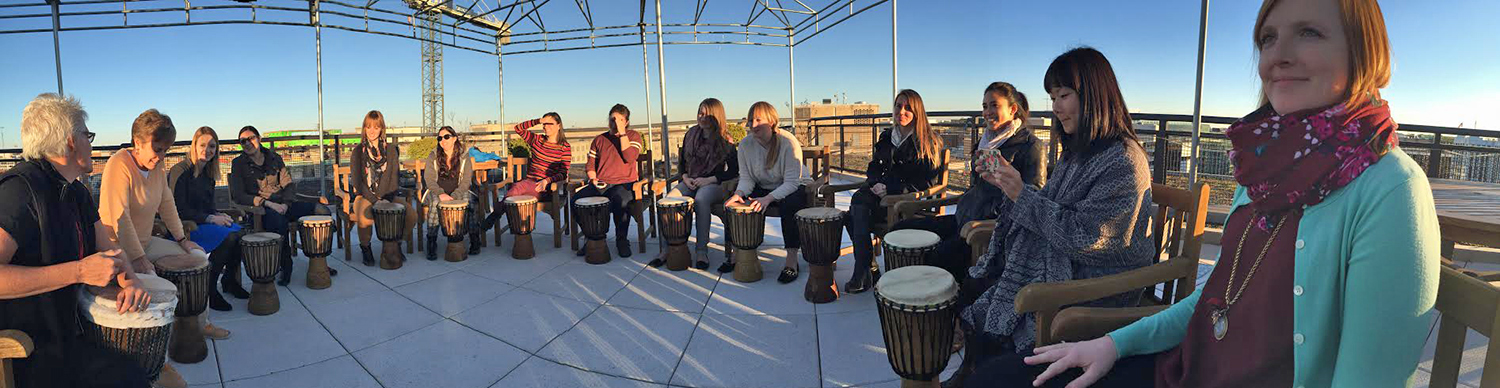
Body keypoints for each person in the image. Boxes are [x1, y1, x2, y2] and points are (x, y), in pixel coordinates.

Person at [1011, 1, 1438, 387]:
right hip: (1181, 368)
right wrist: (1113, 345)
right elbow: (1214, 298)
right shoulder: (1265, 168)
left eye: (1309, 32)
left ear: (1363, 50)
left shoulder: (1391, 190)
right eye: (1267, 38)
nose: (1278, 55)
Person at [942, 47, 1156, 387]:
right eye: (1052, 97)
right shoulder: (1079, 153)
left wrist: (1020, 193)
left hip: (1098, 288)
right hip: (1068, 268)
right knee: (980, 284)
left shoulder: (1123, 162)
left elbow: (1087, 239)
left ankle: (982, 370)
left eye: (1064, 95)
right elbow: (1051, 204)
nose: (1055, 107)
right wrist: (1011, 185)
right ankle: (975, 367)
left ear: (1095, 96)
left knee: (993, 292)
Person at [0, 93, 157, 388]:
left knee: (133, 370)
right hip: (30, 349)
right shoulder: (19, 192)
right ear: (71, 141)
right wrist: (79, 271)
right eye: (88, 135)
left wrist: (132, 281)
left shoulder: (76, 192)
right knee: (131, 379)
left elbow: (110, 249)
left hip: (70, 332)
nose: (92, 142)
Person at [888, 82, 1046, 282]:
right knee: (901, 229)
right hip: (963, 218)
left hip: (986, 229)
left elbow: (1035, 201)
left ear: (1013, 109)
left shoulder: (1031, 146)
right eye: (985, 106)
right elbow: (975, 188)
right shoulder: (986, 142)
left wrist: (993, 210)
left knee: (936, 258)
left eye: (994, 105)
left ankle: (933, 297)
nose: (987, 112)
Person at [99, 109, 231, 339]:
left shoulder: (157, 167)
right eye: (157, 149)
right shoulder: (118, 164)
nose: (160, 156)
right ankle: (158, 339)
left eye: (165, 150)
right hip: (119, 249)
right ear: (138, 142)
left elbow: (167, 204)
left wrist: (183, 240)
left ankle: (202, 323)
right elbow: (121, 216)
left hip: (146, 243)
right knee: (153, 279)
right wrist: (138, 258)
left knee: (198, 258)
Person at [843, 89, 946, 292]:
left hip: (907, 202)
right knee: (858, 202)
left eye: (908, 108)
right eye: (898, 106)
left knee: (853, 215)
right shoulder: (887, 136)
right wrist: (875, 183)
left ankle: (864, 270)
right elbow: (874, 167)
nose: (902, 111)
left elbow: (926, 183)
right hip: (879, 196)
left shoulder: (928, 141)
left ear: (917, 111)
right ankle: (865, 268)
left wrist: (891, 190)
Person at [229, 125, 334, 285]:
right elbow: (239, 195)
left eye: (251, 138)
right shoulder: (238, 163)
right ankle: (286, 265)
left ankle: (319, 260)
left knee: (322, 210)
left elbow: (288, 184)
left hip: (284, 204)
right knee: (279, 222)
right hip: (261, 210)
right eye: (243, 141)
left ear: (259, 139)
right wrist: (268, 203)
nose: (248, 143)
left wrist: (285, 203)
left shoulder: (274, 158)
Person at [722, 101, 809, 283]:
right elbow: (747, 179)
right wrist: (739, 194)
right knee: (733, 203)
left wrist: (768, 199)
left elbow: (792, 182)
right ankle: (736, 252)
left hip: (792, 185)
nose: (753, 125)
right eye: (751, 120)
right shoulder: (745, 145)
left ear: (771, 122)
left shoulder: (788, 142)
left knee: (791, 204)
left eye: (758, 120)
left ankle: (792, 259)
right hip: (763, 185)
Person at [652, 98, 738, 270]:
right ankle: (667, 249)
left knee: (701, 199)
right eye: (700, 113)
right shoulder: (691, 134)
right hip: (690, 180)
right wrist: (685, 177)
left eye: (707, 114)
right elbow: (682, 163)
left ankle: (701, 251)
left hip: (714, 184)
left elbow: (734, 170)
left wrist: (710, 179)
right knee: (669, 200)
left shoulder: (725, 140)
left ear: (716, 116)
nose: (702, 117)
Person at [169, 126, 249, 311]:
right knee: (229, 237)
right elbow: (178, 210)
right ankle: (210, 288)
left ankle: (229, 280)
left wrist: (218, 214)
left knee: (240, 232)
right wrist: (211, 218)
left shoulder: (208, 173)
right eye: (202, 145)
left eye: (212, 146)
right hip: (183, 228)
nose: (207, 150)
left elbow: (207, 205)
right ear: (194, 146)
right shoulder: (180, 171)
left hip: (202, 222)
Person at [479, 112, 573, 232]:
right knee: (517, 189)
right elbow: (518, 128)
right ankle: (514, 226)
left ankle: (494, 217)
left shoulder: (564, 147)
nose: (546, 126)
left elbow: (563, 173)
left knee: (517, 187)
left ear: (558, 125)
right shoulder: (537, 140)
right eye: (544, 124)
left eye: (550, 123)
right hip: (529, 184)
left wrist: (547, 181)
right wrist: (538, 120)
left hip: (546, 188)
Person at [347, 110, 418, 266]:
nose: (372, 131)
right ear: (364, 129)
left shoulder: (391, 149)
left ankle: (395, 244)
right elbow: (358, 182)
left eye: (376, 127)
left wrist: (385, 198)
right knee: (365, 217)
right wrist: (375, 200)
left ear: (382, 129)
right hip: (365, 196)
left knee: (411, 215)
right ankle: (366, 248)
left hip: (388, 195)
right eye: (368, 127)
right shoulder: (358, 151)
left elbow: (394, 177)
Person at [575, 104, 644, 258]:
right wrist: (593, 178)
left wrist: (622, 133)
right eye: (612, 119)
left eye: (619, 120)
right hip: (601, 183)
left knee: (621, 201)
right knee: (575, 201)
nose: (615, 123)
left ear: (626, 122)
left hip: (624, 184)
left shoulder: (633, 136)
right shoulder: (599, 139)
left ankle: (621, 240)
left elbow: (629, 157)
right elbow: (590, 164)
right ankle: (593, 238)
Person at [422, 126, 483, 260]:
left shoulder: (464, 156)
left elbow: (466, 181)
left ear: (454, 138)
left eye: (446, 137)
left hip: (460, 190)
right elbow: (429, 180)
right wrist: (440, 193)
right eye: (440, 138)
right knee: (435, 203)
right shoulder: (433, 156)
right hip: (436, 191)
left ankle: (475, 239)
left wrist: (454, 196)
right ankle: (431, 241)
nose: (443, 140)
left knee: (470, 202)